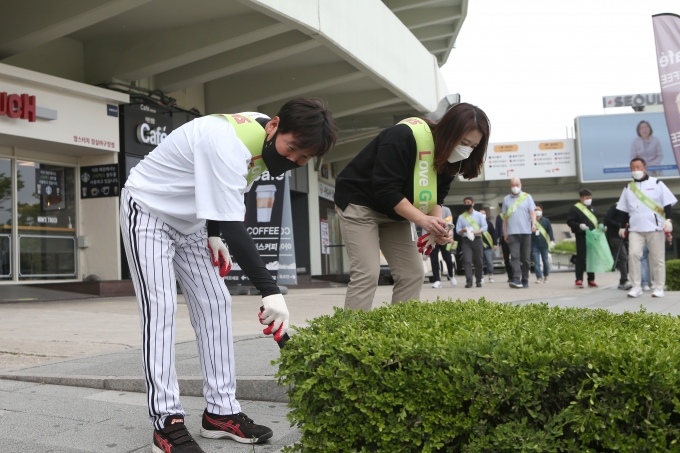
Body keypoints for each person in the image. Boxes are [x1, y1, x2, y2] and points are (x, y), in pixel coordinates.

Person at [120, 98, 337, 452]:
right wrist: (270, 290)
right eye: (293, 149)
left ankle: (221, 412)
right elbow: (238, 226)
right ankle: (166, 421)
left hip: (191, 223)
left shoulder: (263, 142)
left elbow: (228, 192)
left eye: (304, 158)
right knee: (160, 310)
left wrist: (212, 232)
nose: (294, 160)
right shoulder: (227, 142)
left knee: (216, 304)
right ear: (274, 126)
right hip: (148, 210)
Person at [335, 103, 490, 311]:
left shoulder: (452, 159)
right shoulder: (403, 136)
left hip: (397, 212)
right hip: (360, 204)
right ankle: (351, 339)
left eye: (473, 146)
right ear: (448, 131)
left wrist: (436, 226)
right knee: (367, 274)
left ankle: (399, 334)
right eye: (463, 142)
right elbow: (386, 189)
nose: (466, 150)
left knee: (413, 273)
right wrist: (422, 219)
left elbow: (437, 197)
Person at [616, 157, 676, 298]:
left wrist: (668, 219)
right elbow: (624, 210)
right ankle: (636, 286)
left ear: (645, 167)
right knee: (633, 255)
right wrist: (621, 227)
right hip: (635, 229)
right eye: (633, 168)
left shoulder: (657, 183)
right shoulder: (628, 188)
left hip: (655, 227)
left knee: (657, 258)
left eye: (638, 167)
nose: (636, 170)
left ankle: (659, 287)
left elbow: (667, 204)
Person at [502, 178, 536, 288]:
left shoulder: (527, 197)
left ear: (520, 184)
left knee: (526, 258)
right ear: (510, 186)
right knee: (514, 257)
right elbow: (505, 218)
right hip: (512, 233)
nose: (515, 186)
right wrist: (505, 232)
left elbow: (532, 212)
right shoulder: (506, 199)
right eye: (513, 185)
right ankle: (516, 279)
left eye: (517, 184)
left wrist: (534, 224)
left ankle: (525, 278)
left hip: (526, 232)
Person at [567, 189, 599, 288]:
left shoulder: (592, 208)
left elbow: (596, 221)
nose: (589, 200)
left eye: (590, 198)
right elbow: (570, 221)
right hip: (581, 236)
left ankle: (591, 279)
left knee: (591, 258)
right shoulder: (575, 209)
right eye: (587, 198)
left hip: (592, 236)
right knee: (581, 257)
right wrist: (579, 225)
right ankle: (579, 279)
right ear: (581, 198)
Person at [456, 197, 488, 288]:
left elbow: (485, 227)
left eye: (468, 202)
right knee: (467, 261)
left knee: (479, 261)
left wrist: (476, 232)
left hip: (477, 239)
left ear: (473, 203)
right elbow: (457, 230)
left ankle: (478, 280)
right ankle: (469, 281)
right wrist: (462, 231)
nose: (467, 204)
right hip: (466, 241)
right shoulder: (461, 217)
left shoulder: (479, 215)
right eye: (465, 202)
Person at [604, 203, 631, 290]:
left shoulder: (630, 207)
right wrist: (620, 225)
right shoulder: (616, 207)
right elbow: (607, 219)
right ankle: (624, 280)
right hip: (615, 236)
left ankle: (625, 280)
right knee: (623, 257)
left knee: (628, 257)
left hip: (626, 236)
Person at [430, 205, 457, 288]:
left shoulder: (446, 209)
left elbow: (450, 223)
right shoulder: (429, 208)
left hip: (444, 237)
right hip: (432, 238)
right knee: (434, 260)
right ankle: (437, 280)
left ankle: (451, 275)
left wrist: (450, 237)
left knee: (448, 259)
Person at [531, 204, 554, 284]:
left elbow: (550, 231)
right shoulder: (531, 221)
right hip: (534, 244)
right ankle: (539, 277)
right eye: (536, 210)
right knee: (536, 262)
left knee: (545, 261)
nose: (537, 211)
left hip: (544, 244)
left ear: (542, 211)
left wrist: (552, 240)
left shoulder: (546, 221)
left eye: (539, 210)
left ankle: (546, 276)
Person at [479, 208, 496, 283]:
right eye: (481, 213)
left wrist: (495, 244)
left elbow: (493, 234)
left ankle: (490, 275)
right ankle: (481, 276)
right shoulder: (475, 223)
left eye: (484, 213)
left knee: (489, 262)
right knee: (480, 262)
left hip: (488, 246)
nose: (483, 215)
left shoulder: (489, 223)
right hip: (479, 245)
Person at [496, 211, 513, 281]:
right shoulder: (499, 216)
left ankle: (516, 275)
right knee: (506, 259)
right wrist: (495, 241)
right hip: (504, 239)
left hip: (513, 238)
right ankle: (510, 276)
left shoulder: (513, 214)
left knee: (515, 258)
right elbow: (497, 228)